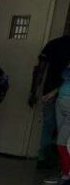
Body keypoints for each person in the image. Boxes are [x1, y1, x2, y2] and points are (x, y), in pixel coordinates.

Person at [30, 32, 70, 169]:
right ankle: (62, 164)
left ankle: (44, 158)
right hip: (62, 93)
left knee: (48, 126)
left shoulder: (53, 44)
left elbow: (40, 70)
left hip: (51, 90)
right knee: (64, 131)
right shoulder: (54, 44)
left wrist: (33, 91)